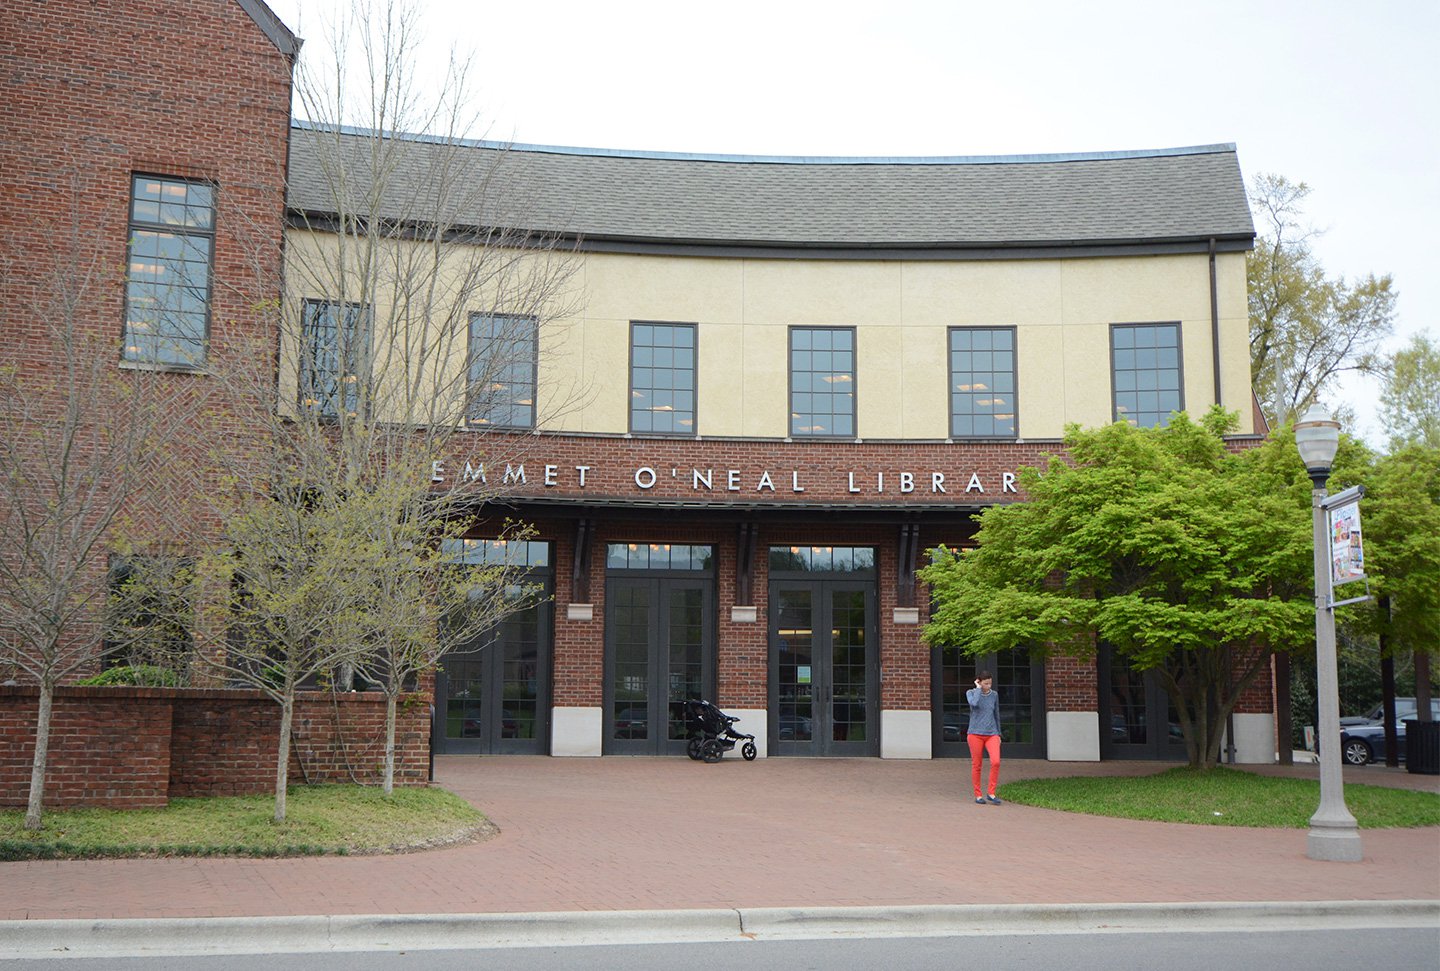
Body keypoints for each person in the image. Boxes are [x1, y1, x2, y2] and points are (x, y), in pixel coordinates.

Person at [966, 671, 1002, 805]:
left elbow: (996, 713)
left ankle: (991, 793)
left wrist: (998, 733)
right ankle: (978, 794)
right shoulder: (971, 693)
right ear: (979, 682)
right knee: (977, 764)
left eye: (990, 683)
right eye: (985, 683)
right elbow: (974, 704)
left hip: (991, 733)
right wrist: (978, 689)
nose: (988, 686)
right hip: (975, 734)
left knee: (996, 761)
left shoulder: (994, 695)